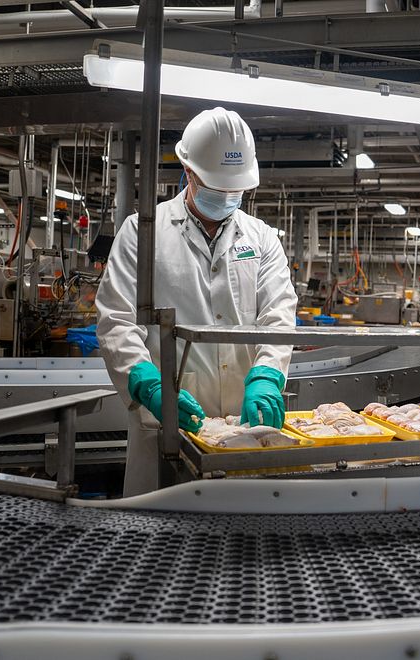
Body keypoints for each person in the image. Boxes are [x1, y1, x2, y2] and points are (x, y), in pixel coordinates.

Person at [96, 108, 297, 496]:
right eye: (217, 187)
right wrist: (146, 383)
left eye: (234, 190)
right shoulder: (142, 232)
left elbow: (278, 316)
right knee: (160, 541)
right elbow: (117, 319)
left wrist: (268, 374)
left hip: (245, 427)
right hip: (164, 427)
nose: (227, 198)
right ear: (189, 173)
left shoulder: (262, 238)